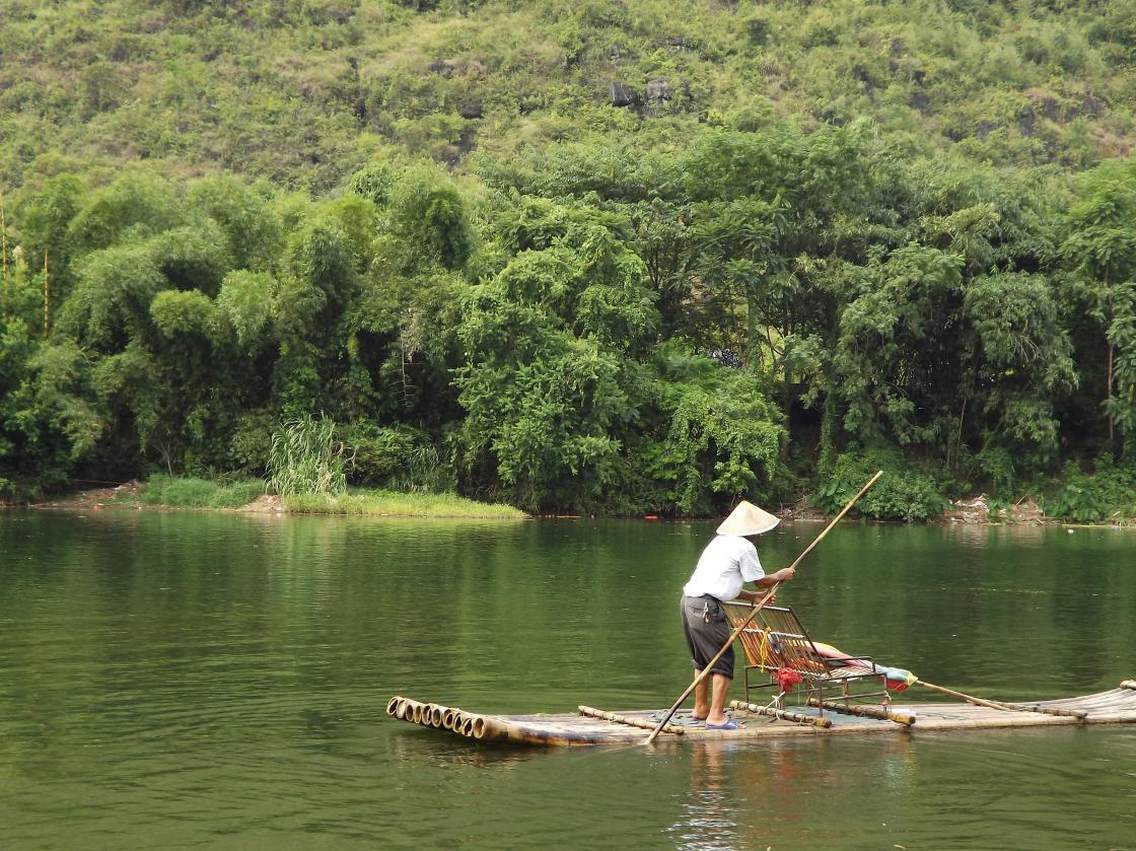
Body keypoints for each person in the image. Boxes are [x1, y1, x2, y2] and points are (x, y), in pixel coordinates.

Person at [680, 500, 795, 729]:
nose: (760, 535)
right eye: (759, 532)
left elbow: (723, 583)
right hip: (706, 608)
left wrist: (752, 597)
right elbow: (761, 581)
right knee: (723, 661)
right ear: (752, 532)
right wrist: (781, 575)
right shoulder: (745, 547)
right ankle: (716, 716)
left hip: (688, 603)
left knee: (703, 660)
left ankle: (701, 708)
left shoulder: (719, 542)